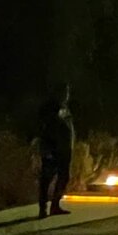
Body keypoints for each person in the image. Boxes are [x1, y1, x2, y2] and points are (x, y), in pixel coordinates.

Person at [36, 84, 75, 218]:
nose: (66, 95)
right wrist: (46, 149)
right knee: (47, 179)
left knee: (63, 177)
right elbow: (44, 129)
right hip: (53, 149)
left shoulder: (65, 108)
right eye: (64, 92)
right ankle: (43, 208)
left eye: (67, 93)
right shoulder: (50, 109)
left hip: (65, 149)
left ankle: (55, 205)